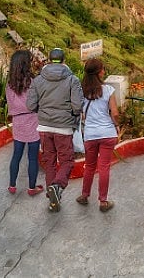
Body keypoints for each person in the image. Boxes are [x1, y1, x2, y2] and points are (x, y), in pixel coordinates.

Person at [26, 47, 84, 212]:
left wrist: (43, 112)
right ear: (63, 60)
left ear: (49, 60)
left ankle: (52, 201)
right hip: (63, 128)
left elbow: (30, 105)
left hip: (44, 127)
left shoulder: (38, 80)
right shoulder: (72, 80)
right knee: (67, 162)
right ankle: (57, 186)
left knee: (49, 162)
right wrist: (71, 115)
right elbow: (78, 106)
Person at [75, 57, 120, 212]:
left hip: (90, 134)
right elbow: (115, 113)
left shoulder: (81, 91)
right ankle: (103, 201)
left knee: (89, 166)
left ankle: (84, 195)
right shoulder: (108, 90)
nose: (104, 71)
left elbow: (80, 113)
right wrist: (117, 125)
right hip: (107, 133)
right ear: (99, 72)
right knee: (104, 167)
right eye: (103, 69)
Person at [5, 48, 43, 197]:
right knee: (33, 157)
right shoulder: (33, 82)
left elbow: (11, 105)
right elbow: (37, 101)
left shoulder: (10, 85)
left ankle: (12, 185)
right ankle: (32, 188)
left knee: (16, 155)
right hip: (33, 120)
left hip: (18, 122)